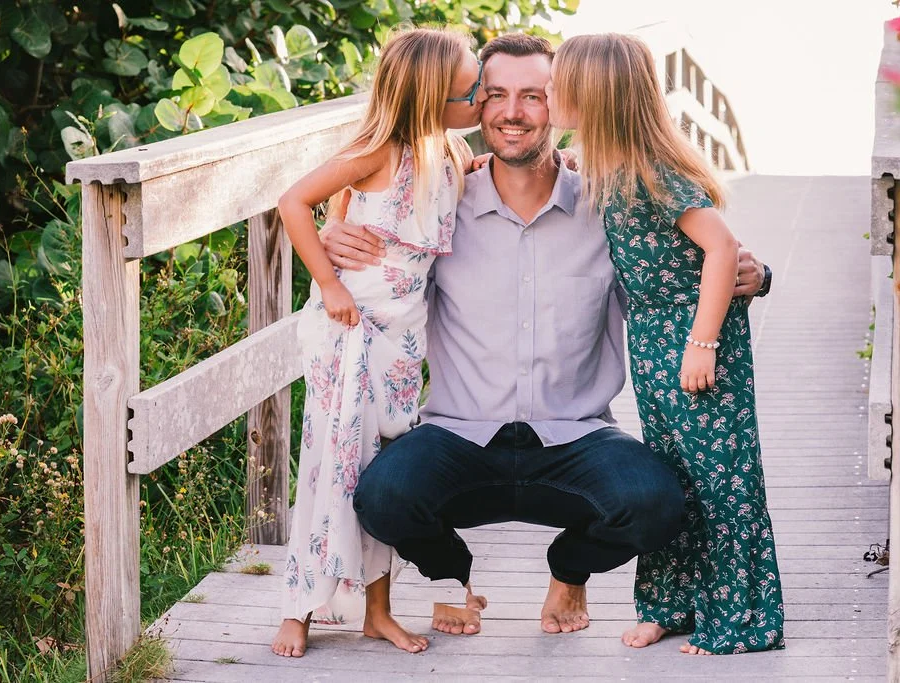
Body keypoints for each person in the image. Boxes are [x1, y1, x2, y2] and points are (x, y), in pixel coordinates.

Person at [321, 32, 773, 640]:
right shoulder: (440, 205)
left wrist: (758, 275)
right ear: (475, 104)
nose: (513, 113)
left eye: (533, 95)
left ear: (563, 101)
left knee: (659, 503)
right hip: (459, 435)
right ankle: (453, 578)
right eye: (496, 95)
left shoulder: (609, 205)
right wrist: (332, 232)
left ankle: (570, 569)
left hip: (576, 437)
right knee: (383, 498)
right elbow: (369, 214)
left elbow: (686, 263)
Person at [547, 33, 785, 655]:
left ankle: (738, 619)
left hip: (692, 335)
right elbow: (566, 164)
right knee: (675, 473)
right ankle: (670, 605)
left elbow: (722, 246)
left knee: (720, 478)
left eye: (556, 83)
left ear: (594, 93)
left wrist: (702, 343)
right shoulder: (605, 163)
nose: (548, 92)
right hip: (653, 337)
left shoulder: (652, 170)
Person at [271, 27, 486, 658]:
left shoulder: (450, 154)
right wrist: (328, 280)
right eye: (470, 91)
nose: (480, 98)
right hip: (350, 329)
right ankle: (298, 608)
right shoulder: (377, 151)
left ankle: (377, 611)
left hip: (401, 341)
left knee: (379, 473)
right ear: (430, 98)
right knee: (332, 463)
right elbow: (293, 202)